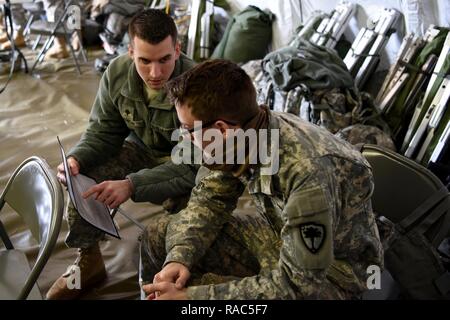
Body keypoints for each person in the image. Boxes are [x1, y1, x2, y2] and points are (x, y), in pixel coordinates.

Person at [140, 59, 384, 299]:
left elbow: (298, 285)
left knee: (194, 294)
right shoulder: (244, 132)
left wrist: (194, 297)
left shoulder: (306, 172)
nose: (184, 137)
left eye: (187, 129)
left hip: (333, 275)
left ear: (221, 128)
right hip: (280, 237)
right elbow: (209, 201)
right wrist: (179, 257)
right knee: (160, 234)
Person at [46, 9, 197, 300]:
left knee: (193, 214)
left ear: (177, 50)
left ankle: (178, 270)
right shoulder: (117, 74)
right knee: (85, 178)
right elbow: (103, 130)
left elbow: (192, 167)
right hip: (140, 152)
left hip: (185, 168)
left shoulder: (197, 85)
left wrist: (131, 185)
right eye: (144, 60)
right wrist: (77, 158)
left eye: (165, 59)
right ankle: (88, 261)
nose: (155, 73)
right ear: (130, 52)